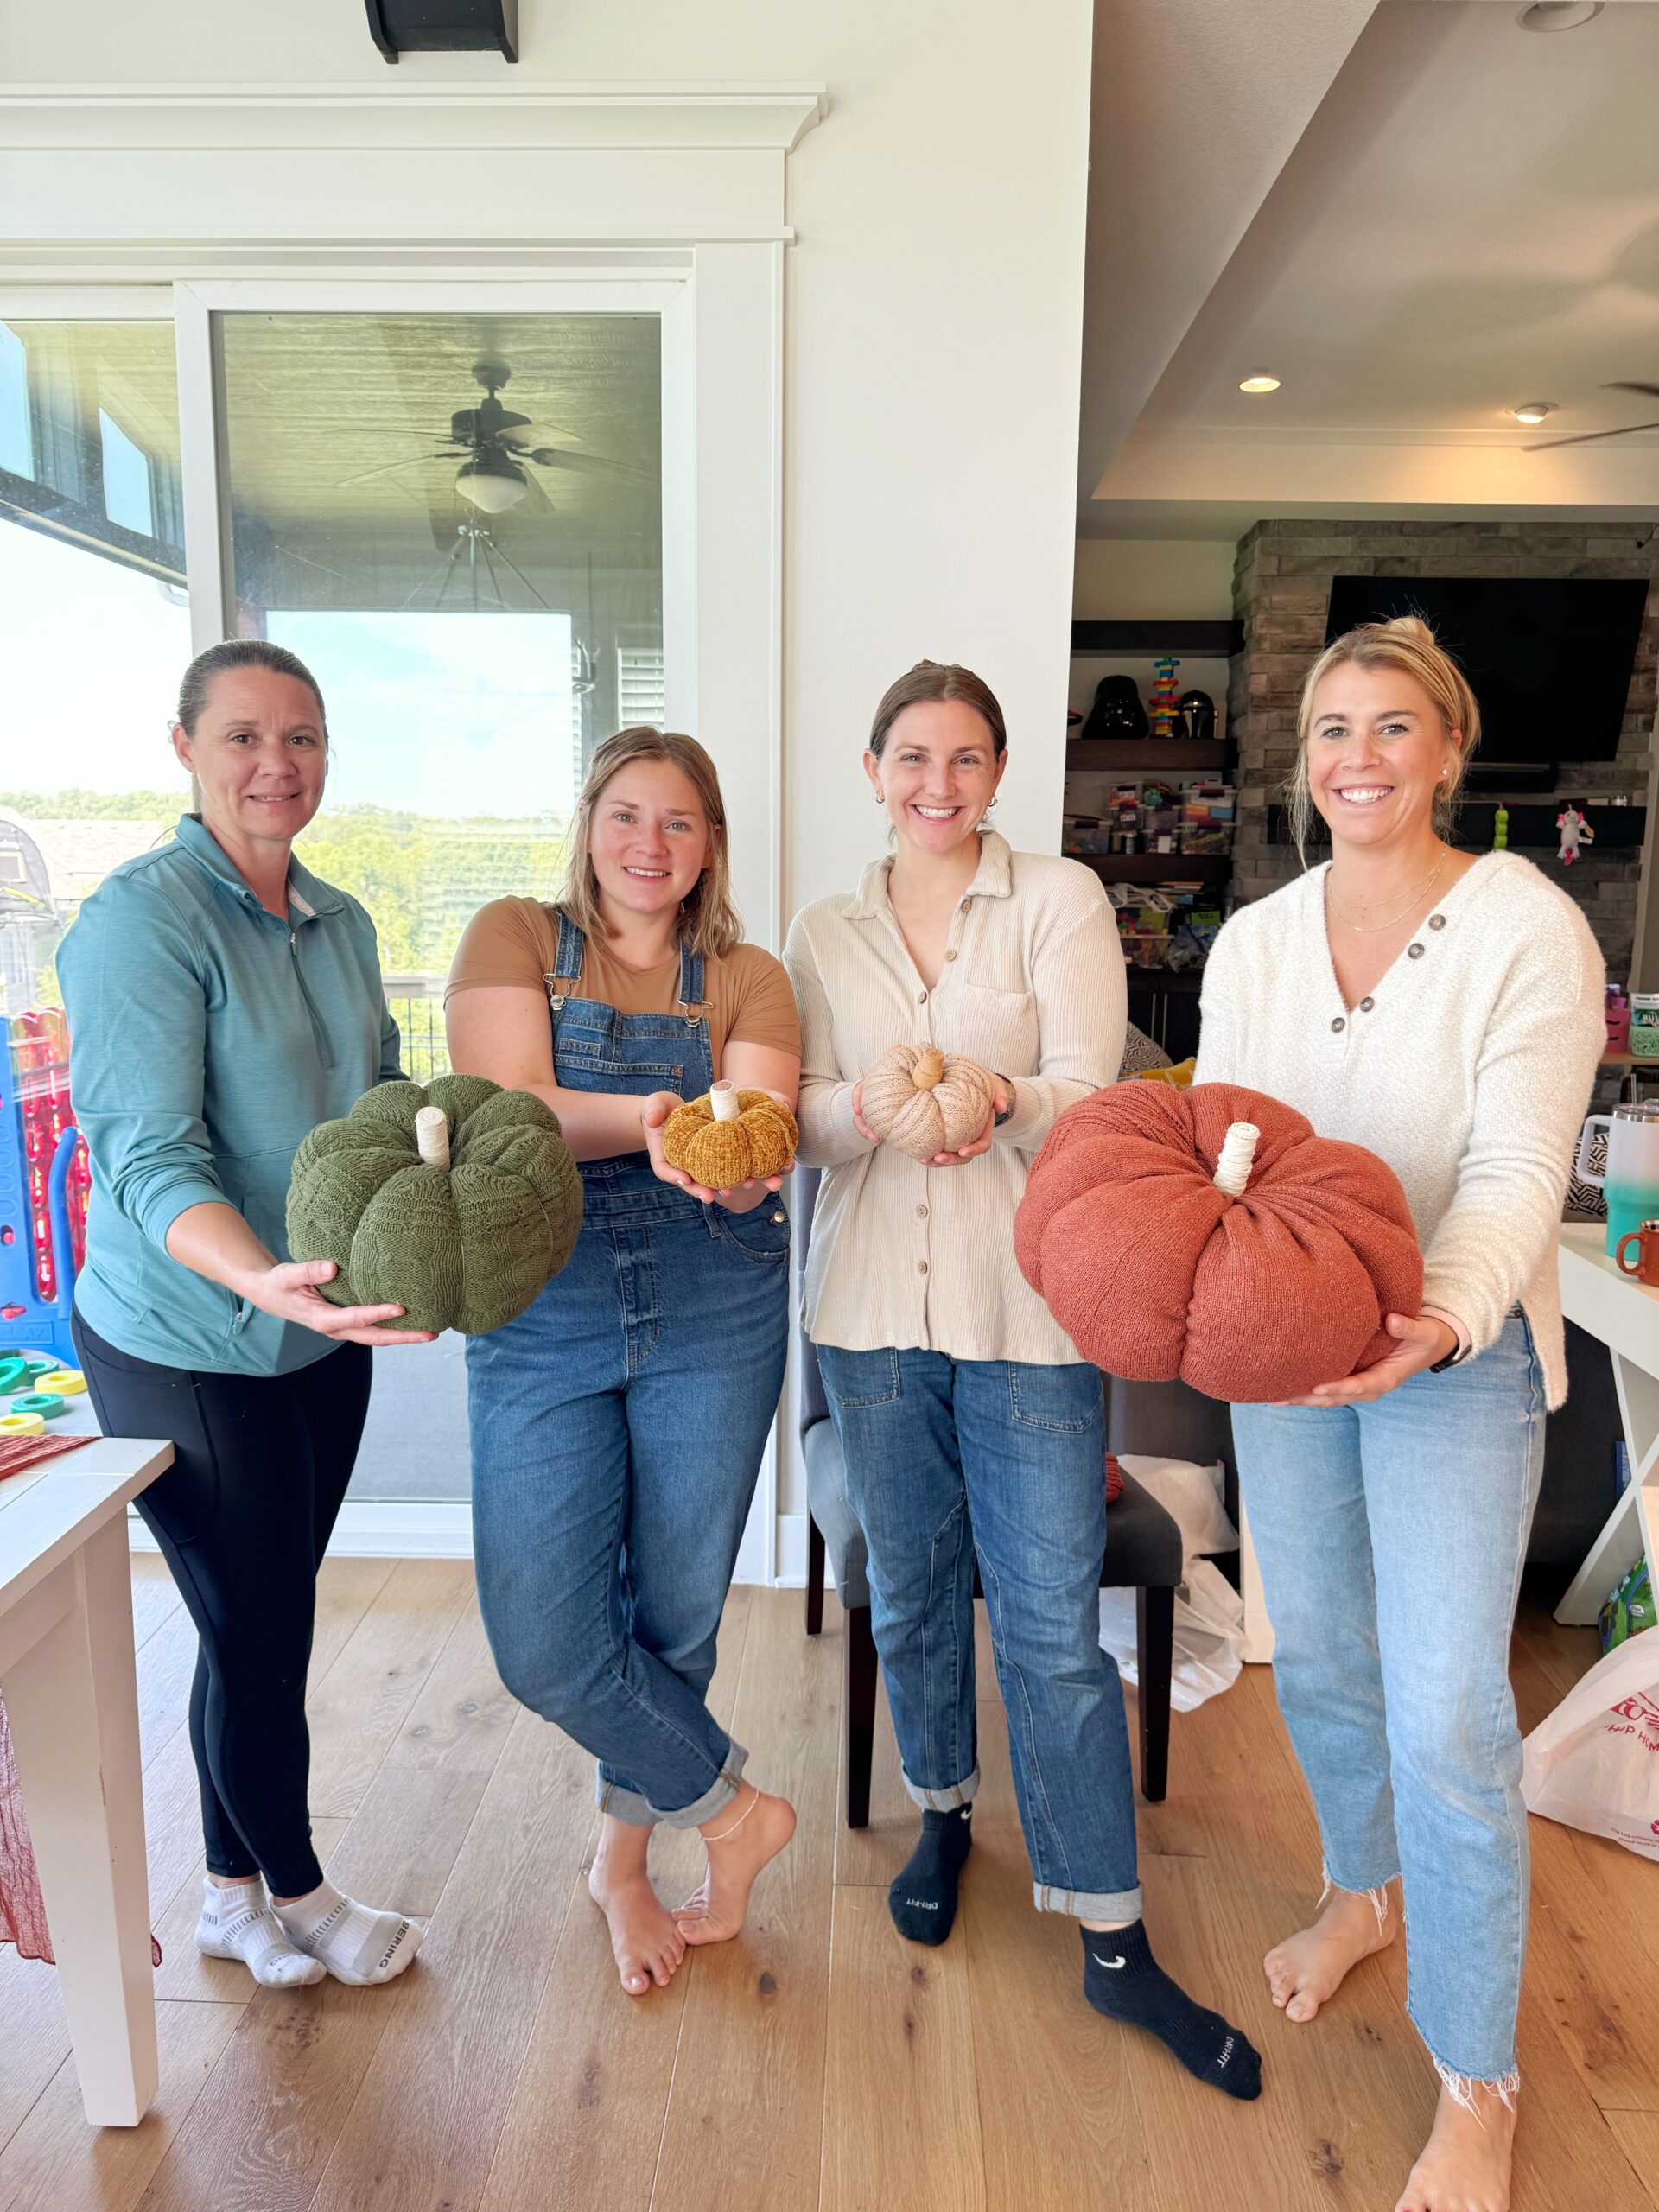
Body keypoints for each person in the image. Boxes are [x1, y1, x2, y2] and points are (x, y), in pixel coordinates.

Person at [785, 660, 1262, 2101]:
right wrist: (861, 1110)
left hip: (1033, 1312)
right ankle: (942, 1814)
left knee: (1052, 1623)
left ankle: (1109, 1929)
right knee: (919, 1591)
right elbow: (799, 1120)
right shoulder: (823, 928)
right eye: (913, 757)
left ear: (999, 773)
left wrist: (996, 1100)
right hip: (869, 1313)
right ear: (873, 768)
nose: (940, 783)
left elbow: (1100, 1096)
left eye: (968, 759)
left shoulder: (1056, 900)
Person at [1195, 616, 1605, 2212]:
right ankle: (1360, 1890)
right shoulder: (1256, 943)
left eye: (1389, 728)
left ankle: (1476, 2074)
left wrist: (1435, 1320)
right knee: (1333, 1663)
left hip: (1455, 1359)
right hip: (1287, 1358)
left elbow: (1513, 1176)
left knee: (1449, 1714)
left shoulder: (1526, 927)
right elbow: (1229, 1156)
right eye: (1332, 731)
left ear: (1447, 750)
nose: (1356, 756)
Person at [60, 639, 432, 1992]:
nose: (278, 765)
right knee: (260, 1628)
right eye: (243, 738)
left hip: (313, 1333)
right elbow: (147, 1157)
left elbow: (381, 1100)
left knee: (259, 1621)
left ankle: (228, 1896)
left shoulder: (340, 921)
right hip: (185, 1339)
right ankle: (305, 1895)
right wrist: (256, 1276)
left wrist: (438, 1228)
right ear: (185, 749)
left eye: (304, 739)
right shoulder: (138, 923)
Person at [446, 726, 800, 1999]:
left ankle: (622, 1863)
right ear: (589, 822)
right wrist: (661, 1121)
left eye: (680, 824)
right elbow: (509, 1109)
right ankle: (732, 1808)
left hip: (718, 1292)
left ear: (711, 847)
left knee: (675, 1614)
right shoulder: (512, 937)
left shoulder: (747, 975)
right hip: (542, 1294)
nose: (651, 846)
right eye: (627, 816)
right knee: (544, 1638)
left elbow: (756, 1128)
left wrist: (739, 1149)